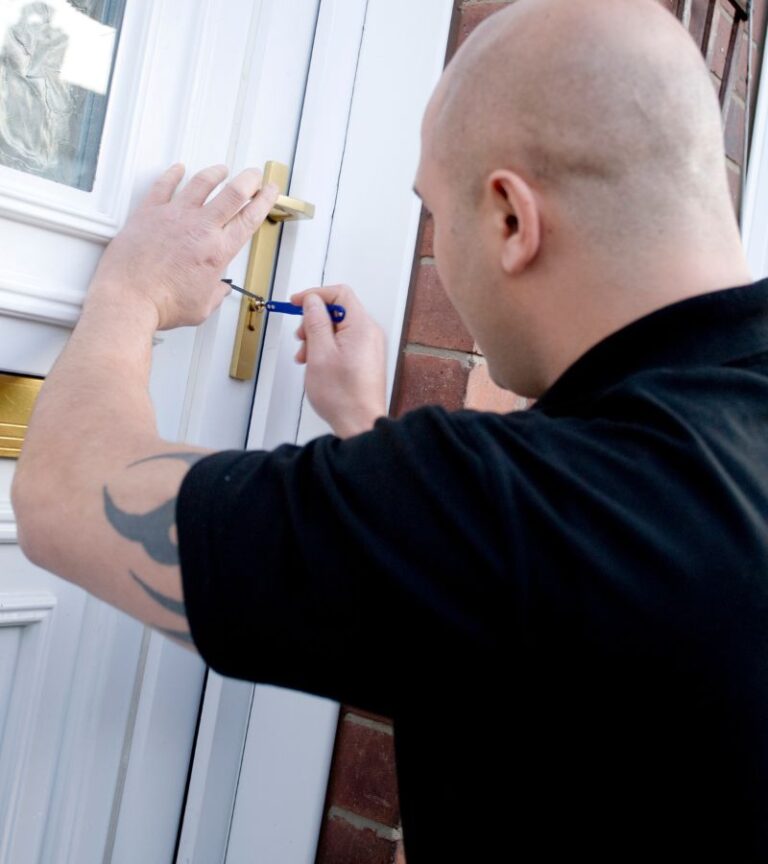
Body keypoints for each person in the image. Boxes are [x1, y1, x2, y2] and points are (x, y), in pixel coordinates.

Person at [12, 0, 768, 859]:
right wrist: (367, 429)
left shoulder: (525, 511)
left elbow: (65, 493)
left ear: (512, 220)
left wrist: (132, 292)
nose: (439, 251)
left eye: (436, 215)